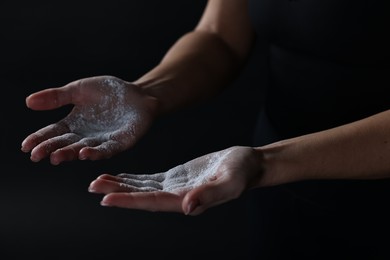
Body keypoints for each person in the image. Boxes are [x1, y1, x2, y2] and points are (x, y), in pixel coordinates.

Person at [21, 0, 390, 258]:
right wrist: (148, 92)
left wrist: (269, 162)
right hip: (280, 194)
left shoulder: (266, 164)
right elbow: (220, 35)